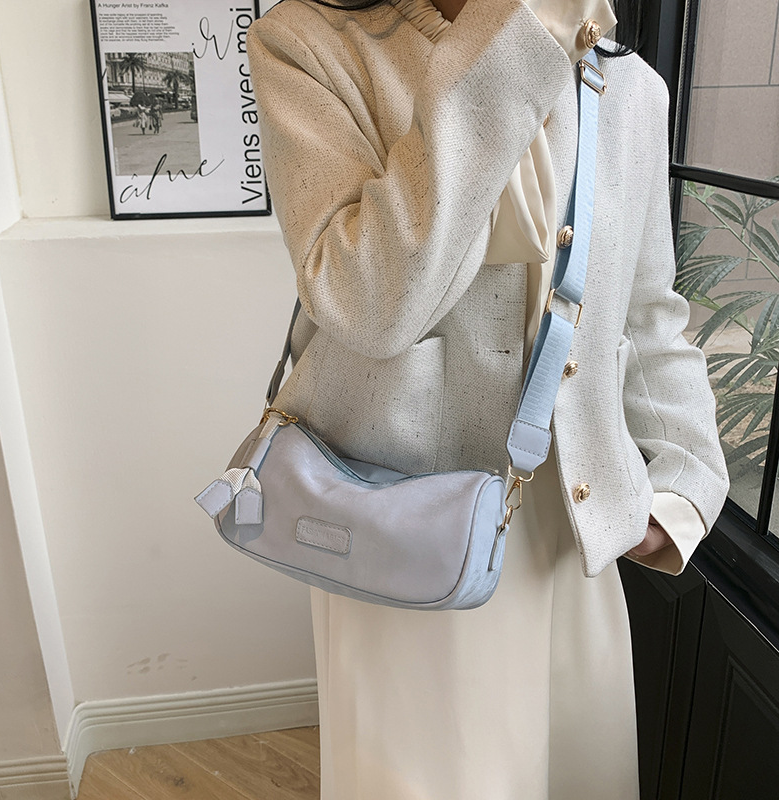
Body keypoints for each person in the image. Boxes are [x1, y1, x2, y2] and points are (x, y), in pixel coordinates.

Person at [245, 0, 729, 797]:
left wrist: (688, 480)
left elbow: (646, 313)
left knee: (578, 773)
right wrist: (519, 39)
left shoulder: (631, 88)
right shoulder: (309, 46)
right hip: (402, 539)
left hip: (571, 533)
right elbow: (370, 303)